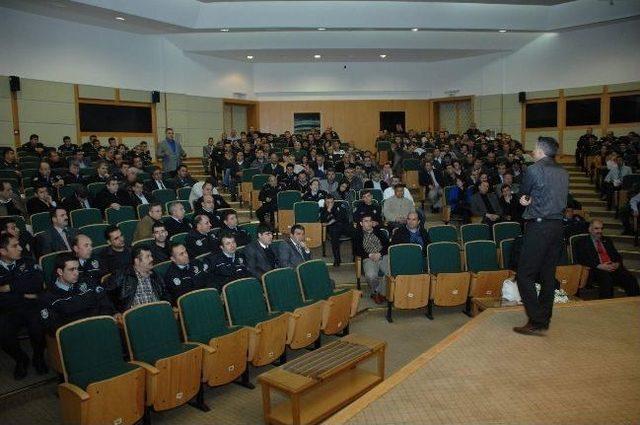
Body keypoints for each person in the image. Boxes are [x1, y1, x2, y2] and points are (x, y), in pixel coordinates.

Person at [513, 137, 568, 336]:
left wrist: (525, 200)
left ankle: (536, 319)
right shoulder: (563, 171)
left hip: (539, 226)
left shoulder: (534, 169)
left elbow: (524, 195)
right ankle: (544, 318)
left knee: (524, 274)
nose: (533, 151)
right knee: (547, 275)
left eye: (535, 148)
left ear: (541, 151)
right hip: (557, 226)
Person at [0, 234, 46, 379]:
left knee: (39, 328)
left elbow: (37, 283)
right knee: (3, 335)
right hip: (7, 311)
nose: (20, 248)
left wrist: (10, 287)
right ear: (2, 251)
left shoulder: (27, 260)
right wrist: (23, 292)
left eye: (19, 244)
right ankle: (21, 359)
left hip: (30, 306)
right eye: (14, 246)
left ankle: (38, 357)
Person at [39, 252, 116, 334]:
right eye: (71, 269)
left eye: (77, 269)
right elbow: (53, 329)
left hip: (100, 329)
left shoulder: (87, 282)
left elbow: (105, 303)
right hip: (75, 337)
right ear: (60, 272)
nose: (76, 273)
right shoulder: (47, 297)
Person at [574, 220, 639, 299]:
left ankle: (635, 302)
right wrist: (599, 266)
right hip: (595, 269)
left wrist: (617, 263)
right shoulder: (581, 242)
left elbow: (617, 255)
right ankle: (606, 305)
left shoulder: (607, 240)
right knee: (607, 280)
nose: (600, 231)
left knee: (630, 279)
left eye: (601, 229)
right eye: (596, 228)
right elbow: (581, 259)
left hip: (611, 267)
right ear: (590, 229)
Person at [107, 245, 167, 312]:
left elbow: (165, 295)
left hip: (157, 312)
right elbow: (107, 296)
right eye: (147, 257)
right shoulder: (122, 276)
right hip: (136, 316)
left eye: (151, 256)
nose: (152, 259)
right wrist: (115, 312)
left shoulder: (155, 275)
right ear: (137, 261)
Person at [353, 215, 389, 304]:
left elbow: (388, 245)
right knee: (370, 275)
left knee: (391, 272)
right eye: (366, 221)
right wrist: (370, 255)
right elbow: (356, 251)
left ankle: (381, 293)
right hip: (368, 258)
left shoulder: (379, 232)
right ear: (361, 223)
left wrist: (380, 254)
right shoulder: (357, 235)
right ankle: (376, 292)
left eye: (370, 221)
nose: (369, 223)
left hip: (383, 256)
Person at [320, 194, 351, 266]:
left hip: (344, 226)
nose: (330, 204)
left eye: (332, 202)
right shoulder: (323, 209)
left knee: (356, 233)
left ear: (334, 201)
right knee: (334, 237)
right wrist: (328, 210)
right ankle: (337, 259)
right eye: (328, 202)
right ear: (325, 202)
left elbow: (343, 217)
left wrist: (330, 222)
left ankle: (356, 256)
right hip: (333, 228)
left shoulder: (339, 205)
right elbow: (323, 221)